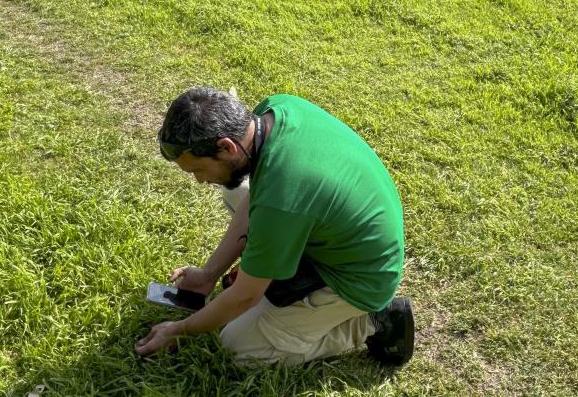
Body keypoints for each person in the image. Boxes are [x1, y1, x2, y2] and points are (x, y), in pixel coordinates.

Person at [135, 87, 414, 366]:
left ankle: (375, 319)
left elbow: (245, 296)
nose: (199, 180)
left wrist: (180, 330)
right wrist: (209, 274)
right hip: (342, 234)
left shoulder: (280, 199)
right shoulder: (274, 110)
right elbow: (260, 197)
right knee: (236, 191)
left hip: (360, 280)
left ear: (227, 147)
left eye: (198, 169)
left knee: (239, 347)